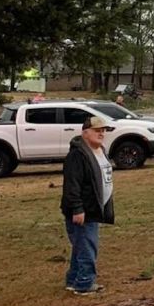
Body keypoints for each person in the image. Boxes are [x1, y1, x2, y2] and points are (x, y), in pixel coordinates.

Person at [61, 116, 115, 295]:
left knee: (81, 245)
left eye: (103, 130)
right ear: (85, 133)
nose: (101, 133)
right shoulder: (77, 155)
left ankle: (73, 280)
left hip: (94, 208)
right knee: (87, 246)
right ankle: (84, 284)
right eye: (97, 130)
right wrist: (77, 209)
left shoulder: (100, 150)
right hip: (84, 210)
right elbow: (72, 184)